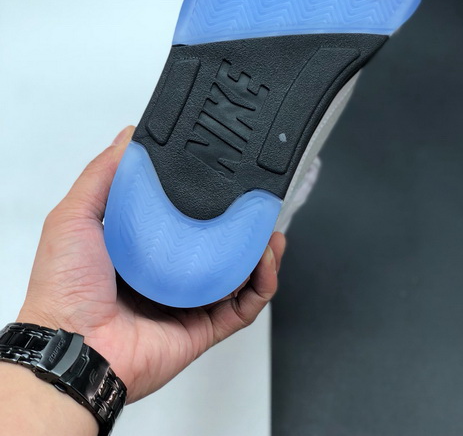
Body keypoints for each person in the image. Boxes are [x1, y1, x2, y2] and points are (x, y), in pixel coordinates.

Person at [0, 127, 286, 435]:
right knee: (256, 239)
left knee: (248, 246)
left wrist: (62, 326)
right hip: (198, 272)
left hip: (181, 272)